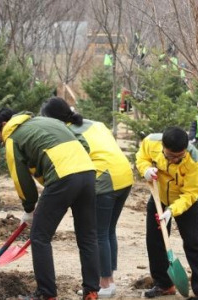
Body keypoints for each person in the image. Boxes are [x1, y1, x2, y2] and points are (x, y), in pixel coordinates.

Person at [0, 109, 100, 300]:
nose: (2, 141)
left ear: (3, 126)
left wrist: (29, 208)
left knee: (39, 236)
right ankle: (91, 291)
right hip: (88, 173)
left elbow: (20, 178)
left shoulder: (14, 137)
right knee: (87, 236)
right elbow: (83, 144)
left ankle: (46, 293)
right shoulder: (48, 121)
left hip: (63, 177)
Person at [40, 97, 133, 298]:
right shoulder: (95, 124)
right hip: (124, 176)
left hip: (104, 178)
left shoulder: (65, 133)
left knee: (98, 234)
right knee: (108, 231)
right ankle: (110, 280)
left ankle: (105, 284)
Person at [136, 127, 198, 299]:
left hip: (186, 202)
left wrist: (172, 210)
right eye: (171, 156)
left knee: (194, 243)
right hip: (159, 197)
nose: (176, 159)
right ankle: (164, 284)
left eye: (180, 156)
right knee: (155, 242)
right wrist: (146, 169)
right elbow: (142, 157)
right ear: (163, 146)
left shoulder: (194, 161)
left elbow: (191, 193)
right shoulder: (151, 142)